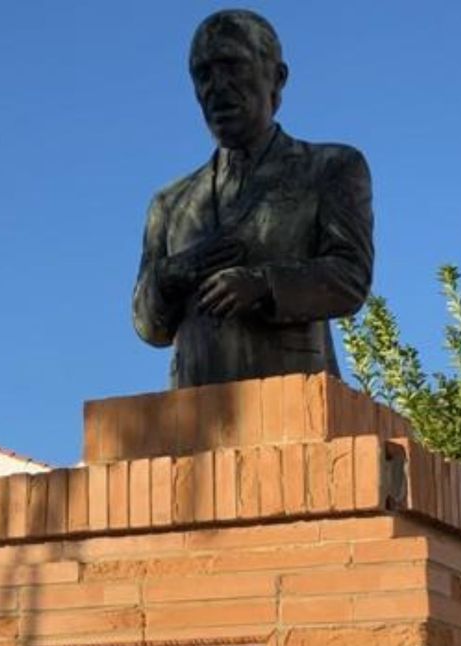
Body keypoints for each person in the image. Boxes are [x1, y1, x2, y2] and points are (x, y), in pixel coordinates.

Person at [132, 9, 374, 388]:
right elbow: (149, 327)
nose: (217, 86)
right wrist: (174, 272)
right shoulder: (170, 203)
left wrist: (263, 285)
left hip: (294, 395)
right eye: (203, 74)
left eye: (233, 66)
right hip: (194, 406)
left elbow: (351, 278)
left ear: (277, 77)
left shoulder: (330, 167)